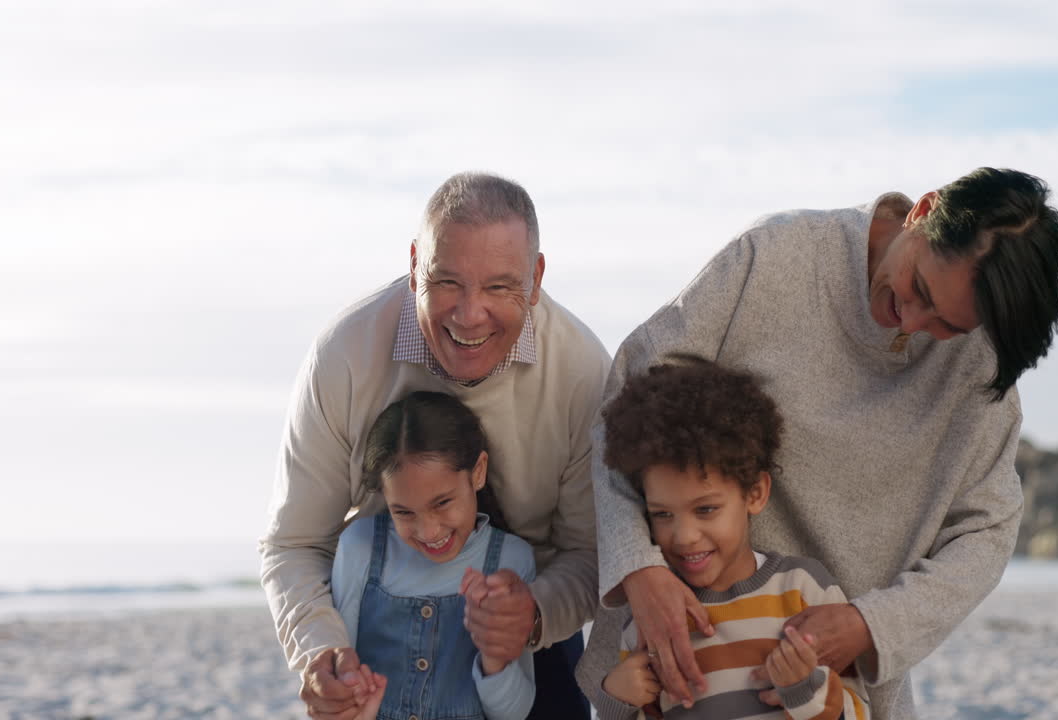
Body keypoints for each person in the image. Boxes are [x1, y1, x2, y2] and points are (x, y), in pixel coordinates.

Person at [592, 167, 1058, 719]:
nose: (912, 322)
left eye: (948, 325)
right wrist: (639, 566)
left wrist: (872, 625)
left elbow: (986, 531)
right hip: (678, 656)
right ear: (924, 210)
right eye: (920, 288)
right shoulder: (776, 257)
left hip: (836, 693)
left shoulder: (981, 363)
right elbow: (628, 398)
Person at [261, 172, 611, 719]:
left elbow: (590, 554)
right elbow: (295, 543)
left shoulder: (583, 373)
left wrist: (533, 615)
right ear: (413, 265)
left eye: (499, 286)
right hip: (378, 637)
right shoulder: (344, 356)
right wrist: (323, 653)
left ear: (536, 277)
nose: (469, 315)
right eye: (447, 281)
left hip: (532, 624)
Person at [576, 359, 871, 720]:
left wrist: (803, 690)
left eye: (706, 510)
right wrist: (616, 702)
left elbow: (860, 713)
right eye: (662, 514)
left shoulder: (803, 589)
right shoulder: (649, 621)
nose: (683, 537)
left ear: (756, 493)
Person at [331, 391, 535, 720]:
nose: (428, 532)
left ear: (478, 471)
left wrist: (494, 657)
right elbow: (341, 679)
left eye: (442, 503)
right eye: (404, 512)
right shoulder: (360, 546)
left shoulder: (510, 561)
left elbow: (513, 713)